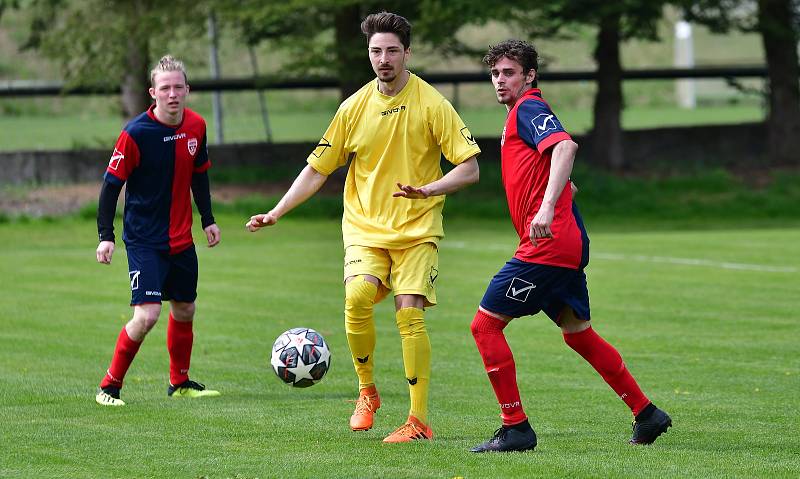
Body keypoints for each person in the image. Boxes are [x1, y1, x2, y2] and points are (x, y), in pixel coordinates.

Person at [246, 12, 480, 443]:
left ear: (407, 52)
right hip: (365, 228)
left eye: (392, 50)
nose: (384, 59)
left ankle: (418, 421)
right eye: (376, 51)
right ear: (368, 54)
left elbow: (469, 169)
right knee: (356, 295)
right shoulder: (352, 108)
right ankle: (367, 391)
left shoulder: (432, 103)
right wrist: (277, 212)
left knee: (409, 313)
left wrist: (428, 190)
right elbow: (317, 170)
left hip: (417, 228)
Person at [468, 40, 671, 452]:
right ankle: (647, 414)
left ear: (530, 76)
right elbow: (551, 167)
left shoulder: (529, 108)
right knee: (578, 334)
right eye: (495, 74)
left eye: (509, 73)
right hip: (566, 245)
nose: (500, 80)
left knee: (485, 326)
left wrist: (545, 208)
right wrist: (559, 192)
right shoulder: (517, 116)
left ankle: (516, 428)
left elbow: (565, 147)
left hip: (546, 246)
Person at [94, 55, 222, 406]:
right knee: (147, 314)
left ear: (187, 90)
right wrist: (106, 235)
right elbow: (110, 187)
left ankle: (179, 382)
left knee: (185, 309)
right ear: (153, 93)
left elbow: (200, 174)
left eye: (178, 87)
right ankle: (109, 386)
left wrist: (208, 219)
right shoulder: (135, 134)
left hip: (182, 239)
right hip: (144, 241)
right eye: (165, 88)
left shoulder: (196, 125)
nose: (172, 94)